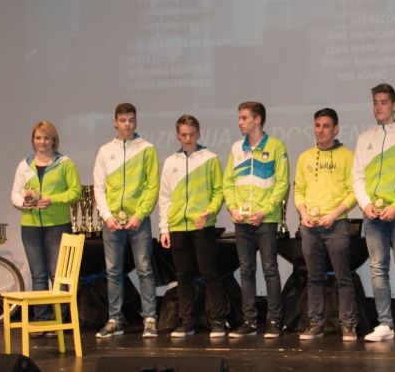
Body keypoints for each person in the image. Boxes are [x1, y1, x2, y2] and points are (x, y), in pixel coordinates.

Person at [353, 83, 395, 343]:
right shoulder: (364, 138)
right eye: (375, 102)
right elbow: (357, 177)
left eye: (383, 102)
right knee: (377, 268)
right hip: (372, 214)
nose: (378, 107)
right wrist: (366, 204)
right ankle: (384, 324)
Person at [158, 115, 228, 339]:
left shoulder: (210, 159)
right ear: (178, 135)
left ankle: (217, 320)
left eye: (191, 134)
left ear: (198, 133)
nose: (188, 139)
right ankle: (186, 320)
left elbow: (219, 191)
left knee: (210, 272)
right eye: (184, 135)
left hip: (203, 226)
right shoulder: (170, 162)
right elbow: (165, 197)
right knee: (183, 275)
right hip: (178, 227)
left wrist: (210, 211)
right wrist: (164, 228)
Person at [93, 103, 159, 338]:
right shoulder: (104, 151)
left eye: (131, 120)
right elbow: (99, 187)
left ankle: (149, 319)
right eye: (123, 120)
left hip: (138, 222)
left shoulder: (147, 149)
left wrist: (139, 215)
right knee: (113, 272)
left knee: (144, 269)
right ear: (115, 122)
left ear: (136, 121)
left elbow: (152, 187)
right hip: (112, 223)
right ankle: (115, 319)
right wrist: (107, 216)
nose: (127, 124)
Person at [224, 101, 289, 339]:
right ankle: (249, 321)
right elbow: (228, 183)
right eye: (239, 118)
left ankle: (273, 321)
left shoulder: (276, 146)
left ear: (257, 119)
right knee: (246, 272)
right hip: (242, 221)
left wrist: (264, 210)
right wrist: (233, 208)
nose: (240, 122)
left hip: (266, 220)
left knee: (270, 269)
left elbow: (282, 184)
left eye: (244, 118)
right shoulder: (236, 149)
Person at [10, 121, 81, 336]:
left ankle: (59, 321)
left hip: (57, 225)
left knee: (58, 275)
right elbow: (15, 194)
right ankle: (41, 321)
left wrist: (53, 199)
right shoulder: (24, 165)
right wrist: (24, 203)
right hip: (30, 226)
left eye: (46, 138)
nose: (42, 142)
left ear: (53, 140)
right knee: (38, 275)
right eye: (38, 138)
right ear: (33, 140)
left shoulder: (65, 163)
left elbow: (75, 192)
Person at [295, 108, 358, 341]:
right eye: (317, 125)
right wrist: (303, 213)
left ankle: (348, 324)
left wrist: (334, 214)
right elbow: (299, 190)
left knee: (343, 276)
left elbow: (353, 192)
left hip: (336, 225)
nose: (320, 130)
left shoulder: (348, 156)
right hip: (310, 227)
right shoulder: (304, 157)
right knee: (313, 277)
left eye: (325, 126)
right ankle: (315, 323)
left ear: (336, 129)